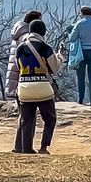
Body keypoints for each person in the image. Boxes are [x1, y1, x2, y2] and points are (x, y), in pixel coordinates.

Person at [15, 19, 60, 154]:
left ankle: (26, 149)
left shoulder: (20, 48)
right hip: (42, 89)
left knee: (26, 120)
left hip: (24, 88)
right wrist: (61, 57)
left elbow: (18, 67)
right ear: (43, 32)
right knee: (49, 119)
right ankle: (43, 147)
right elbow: (54, 68)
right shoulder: (45, 48)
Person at [6, 9, 43, 153]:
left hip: (15, 80)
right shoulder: (28, 38)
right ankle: (25, 147)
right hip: (25, 79)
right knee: (29, 116)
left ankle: (19, 146)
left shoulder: (18, 35)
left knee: (24, 116)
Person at [68, 5, 91, 106]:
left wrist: (69, 31)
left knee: (80, 76)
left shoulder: (79, 24)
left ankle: (80, 99)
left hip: (82, 52)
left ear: (81, 13)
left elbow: (72, 38)